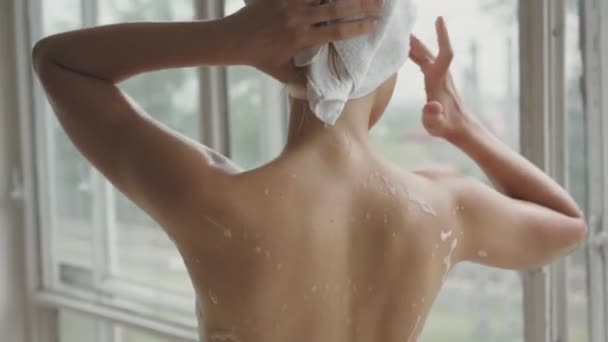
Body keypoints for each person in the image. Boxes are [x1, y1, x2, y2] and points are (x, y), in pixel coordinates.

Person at [32, 0, 587, 341]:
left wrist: (225, 39)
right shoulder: (443, 208)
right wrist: (467, 129)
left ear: (276, 59)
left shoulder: (214, 201)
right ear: (388, 69)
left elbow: (59, 62)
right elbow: (567, 225)